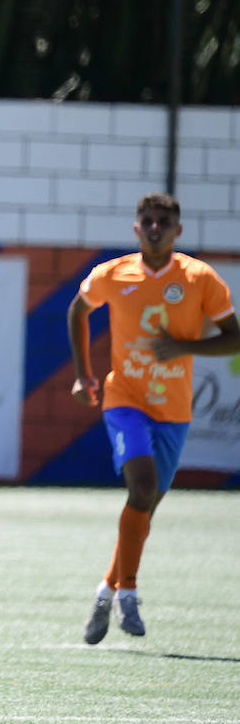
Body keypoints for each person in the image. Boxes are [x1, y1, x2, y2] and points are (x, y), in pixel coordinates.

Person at [68, 192, 238, 644]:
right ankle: (128, 593)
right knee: (141, 488)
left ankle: (104, 591)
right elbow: (78, 311)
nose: (155, 227)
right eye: (147, 220)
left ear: (178, 230)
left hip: (174, 411)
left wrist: (185, 347)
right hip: (124, 398)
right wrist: (85, 374)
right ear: (136, 228)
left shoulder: (199, 278)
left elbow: (233, 339)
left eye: (164, 221)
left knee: (144, 507)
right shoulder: (114, 273)